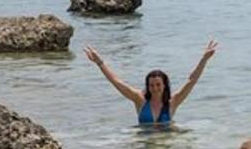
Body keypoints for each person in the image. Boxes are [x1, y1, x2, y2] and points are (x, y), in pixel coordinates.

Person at [84, 40, 217, 125]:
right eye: (151, 85)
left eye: (158, 84)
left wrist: (204, 59)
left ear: (165, 85)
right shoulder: (139, 100)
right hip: (144, 147)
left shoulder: (173, 102)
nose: (155, 88)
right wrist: (100, 63)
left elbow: (191, 81)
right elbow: (117, 82)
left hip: (167, 144)